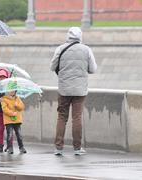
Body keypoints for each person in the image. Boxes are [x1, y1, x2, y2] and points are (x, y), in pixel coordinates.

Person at [50, 27, 97, 156]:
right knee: (76, 118)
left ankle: (58, 148)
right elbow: (93, 69)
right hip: (80, 89)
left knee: (62, 117)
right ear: (80, 36)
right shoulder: (86, 49)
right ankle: (77, 148)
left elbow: (52, 67)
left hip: (64, 89)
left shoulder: (60, 49)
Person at [1, 81, 27, 154]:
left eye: (13, 90)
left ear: (15, 91)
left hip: (17, 120)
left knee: (19, 134)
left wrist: (17, 106)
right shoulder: (4, 99)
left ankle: (21, 147)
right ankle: (10, 148)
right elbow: (4, 109)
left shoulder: (17, 99)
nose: (11, 91)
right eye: (10, 90)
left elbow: (22, 107)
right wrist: (12, 113)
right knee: (9, 134)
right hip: (8, 121)